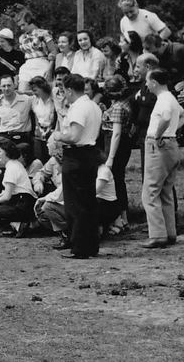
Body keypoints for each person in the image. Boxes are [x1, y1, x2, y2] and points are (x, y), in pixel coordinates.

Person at [52, 73, 102, 259]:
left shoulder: (79, 107)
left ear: (70, 90)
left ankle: (80, 247)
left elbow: (74, 136)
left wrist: (58, 136)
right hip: (89, 153)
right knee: (88, 202)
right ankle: (90, 245)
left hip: (77, 155)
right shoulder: (93, 106)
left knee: (75, 204)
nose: (63, 95)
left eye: (64, 91)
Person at [141, 69, 184, 248]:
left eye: (147, 81)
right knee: (166, 191)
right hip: (171, 144)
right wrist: (173, 131)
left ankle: (158, 235)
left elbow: (167, 117)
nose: (146, 84)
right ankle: (170, 232)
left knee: (150, 192)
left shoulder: (163, 99)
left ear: (154, 82)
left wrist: (159, 135)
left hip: (158, 146)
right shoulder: (171, 98)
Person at [0, 138, 37, 235]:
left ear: (7, 152)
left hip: (22, 204)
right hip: (17, 201)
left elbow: (6, 197)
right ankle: (13, 225)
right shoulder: (12, 164)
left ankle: (18, 225)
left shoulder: (12, 167)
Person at [100, 75, 134, 234]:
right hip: (117, 142)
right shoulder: (122, 104)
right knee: (118, 179)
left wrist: (111, 157)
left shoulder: (118, 107)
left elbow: (116, 133)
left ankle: (120, 218)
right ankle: (122, 218)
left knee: (116, 179)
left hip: (114, 144)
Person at [32, 136, 66, 247]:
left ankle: (69, 232)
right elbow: (41, 173)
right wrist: (38, 182)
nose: (46, 145)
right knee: (41, 212)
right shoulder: (53, 161)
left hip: (70, 200)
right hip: (60, 199)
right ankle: (63, 231)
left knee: (47, 206)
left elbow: (64, 189)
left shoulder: (71, 161)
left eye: (49, 143)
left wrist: (46, 198)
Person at [15, 11, 57, 93]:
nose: (22, 28)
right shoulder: (22, 37)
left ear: (30, 22)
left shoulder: (44, 33)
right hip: (27, 65)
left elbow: (53, 51)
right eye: (20, 26)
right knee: (22, 93)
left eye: (23, 25)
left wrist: (50, 69)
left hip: (42, 64)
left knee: (41, 93)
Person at [0, 75, 33, 148]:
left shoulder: (26, 100)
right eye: (4, 86)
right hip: (4, 138)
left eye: (9, 85)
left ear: (14, 85)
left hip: (22, 138)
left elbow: (40, 95)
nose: (6, 88)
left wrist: (23, 92)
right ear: (0, 87)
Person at [29, 76, 56, 163]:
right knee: (40, 159)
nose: (34, 92)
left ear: (42, 87)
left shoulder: (54, 99)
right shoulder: (34, 100)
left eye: (35, 90)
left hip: (52, 132)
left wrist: (50, 131)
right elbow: (36, 116)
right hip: (39, 133)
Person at [95, 156, 121, 237]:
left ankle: (100, 230)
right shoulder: (95, 169)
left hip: (108, 206)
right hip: (103, 203)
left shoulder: (103, 170)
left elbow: (95, 190)